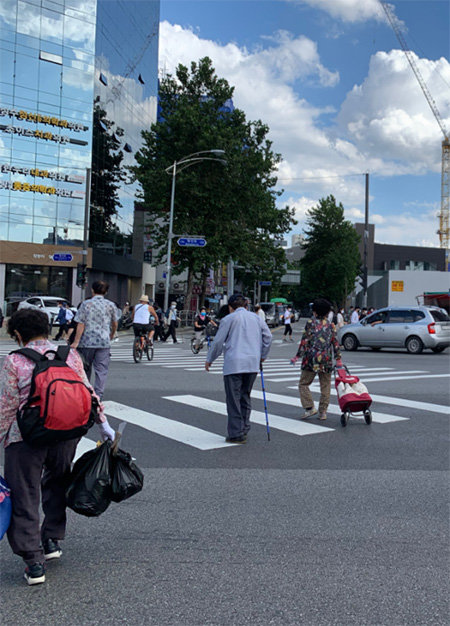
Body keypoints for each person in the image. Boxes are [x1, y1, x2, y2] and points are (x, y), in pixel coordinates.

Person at [0, 308, 115, 585]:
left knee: (25, 493)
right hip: (66, 433)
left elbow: (8, 405)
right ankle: (51, 539)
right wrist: (104, 425)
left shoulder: (14, 361)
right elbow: (89, 393)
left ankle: (33, 561)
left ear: (17, 334)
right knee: (57, 483)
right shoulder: (69, 355)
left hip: (26, 438)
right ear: (47, 329)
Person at [205, 294, 272, 444]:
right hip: (252, 363)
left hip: (234, 363)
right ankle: (244, 427)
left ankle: (236, 432)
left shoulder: (228, 319)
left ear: (230, 307)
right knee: (245, 395)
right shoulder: (256, 318)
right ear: (246, 305)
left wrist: (210, 359)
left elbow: (218, 342)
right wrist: (262, 356)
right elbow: (268, 337)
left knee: (233, 398)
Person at [291, 298, 342, 421]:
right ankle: (323, 412)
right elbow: (335, 343)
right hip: (326, 359)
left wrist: (297, 356)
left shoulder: (310, 323)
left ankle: (309, 408)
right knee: (325, 386)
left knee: (303, 384)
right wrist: (338, 359)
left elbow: (305, 341)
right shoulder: (331, 325)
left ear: (314, 312)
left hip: (311, 359)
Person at [71, 280, 118, 400]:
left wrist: (76, 341)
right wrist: (112, 334)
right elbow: (115, 323)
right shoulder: (111, 305)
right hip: (104, 342)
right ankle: (98, 395)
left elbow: (81, 324)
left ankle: (86, 392)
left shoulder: (86, 304)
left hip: (86, 341)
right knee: (101, 370)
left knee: (85, 369)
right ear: (106, 292)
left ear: (92, 290)